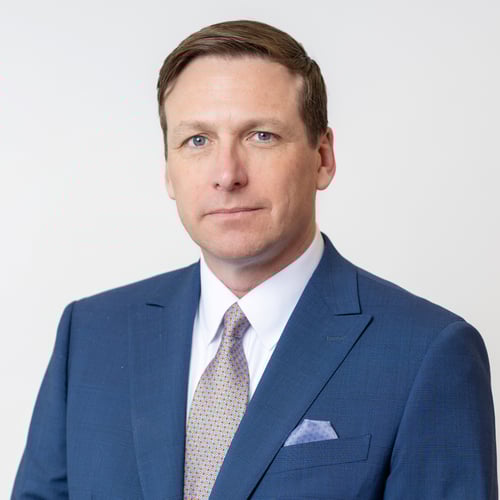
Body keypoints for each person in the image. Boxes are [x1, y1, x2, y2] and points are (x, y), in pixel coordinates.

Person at [12, 19, 496, 500]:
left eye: (261, 135)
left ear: (323, 157)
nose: (227, 175)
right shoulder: (90, 335)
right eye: (197, 140)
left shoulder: (428, 353)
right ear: (169, 170)